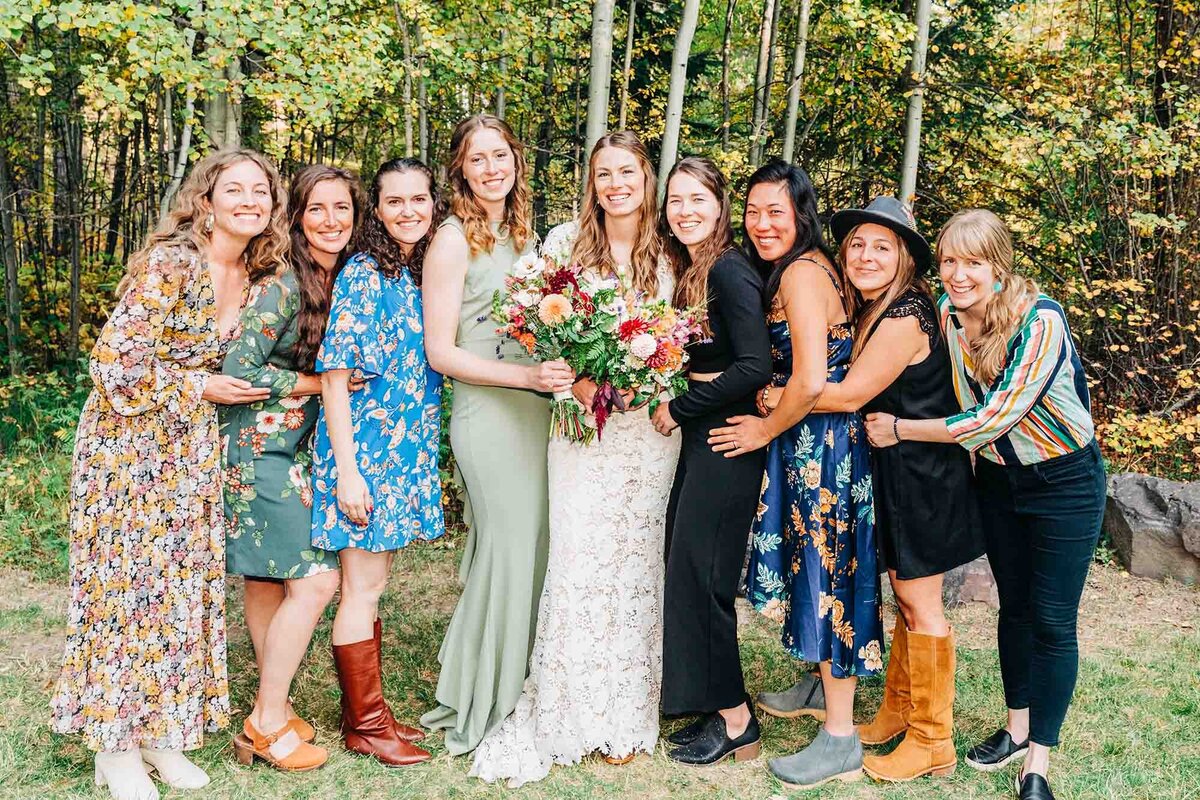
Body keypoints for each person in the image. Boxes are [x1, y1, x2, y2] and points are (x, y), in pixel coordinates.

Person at [50, 148, 286, 800]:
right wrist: (201, 384)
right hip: (126, 452)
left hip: (188, 456)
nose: (247, 200)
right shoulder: (171, 263)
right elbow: (113, 365)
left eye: (258, 191)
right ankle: (115, 747)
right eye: (232, 189)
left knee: (174, 600)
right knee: (125, 601)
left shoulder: (258, 274)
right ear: (205, 201)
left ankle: (157, 735)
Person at [864, 209, 1105, 800]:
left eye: (972, 261)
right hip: (999, 482)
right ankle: (1017, 726)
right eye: (949, 260)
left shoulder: (1040, 321)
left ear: (999, 266)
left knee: (1051, 620)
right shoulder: (946, 314)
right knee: (1014, 610)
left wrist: (900, 428)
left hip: (1064, 482)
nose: (957, 273)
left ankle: (1038, 765)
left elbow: (995, 416)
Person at [470, 131, 679, 786]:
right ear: (591, 184)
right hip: (582, 429)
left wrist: (653, 384)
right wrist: (577, 380)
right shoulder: (563, 243)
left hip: (649, 430)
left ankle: (626, 709)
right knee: (580, 559)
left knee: (636, 561)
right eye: (603, 174)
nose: (616, 184)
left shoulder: (671, 247)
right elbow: (534, 332)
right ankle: (569, 708)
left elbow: (685, 339)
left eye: (627, 172)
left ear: (647, 176)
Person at [752, 195, 984, 781]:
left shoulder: (905, 315)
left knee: (922, 605)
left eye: (882, 246)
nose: (865, 255)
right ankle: (899, 712)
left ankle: (933, 738)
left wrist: (779, 396)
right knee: (906, 599)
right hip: (898, 473)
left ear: (905, 258)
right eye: (856, 244)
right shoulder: (877, 307)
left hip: (926, 479)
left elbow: (850, 394)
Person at [708, 160, 882, 789]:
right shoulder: (797, 270)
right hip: (811, 443)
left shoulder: (805, 275)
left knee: (829, 571)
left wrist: (762, 426)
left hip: (824, 450)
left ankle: (840, 736)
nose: (761, 224)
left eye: (775, 211)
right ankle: (818, 683)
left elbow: (811, 380)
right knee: (816, 567)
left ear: (802, 215)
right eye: (752, 211)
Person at [420, 115, 575, 755]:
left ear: (516, 161)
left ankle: (519, 678)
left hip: (535, 409)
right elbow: (441, 352)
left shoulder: (523, 234)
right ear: (460, 170)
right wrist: (526, 375)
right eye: (477, 159)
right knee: (508, 552)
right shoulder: (453, 240)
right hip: (488, 416)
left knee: (532, 549)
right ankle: (485, 695)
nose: (491, 169)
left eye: (501, 155)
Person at [223, 165, 366, 771]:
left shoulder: (346, 280)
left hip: (293, 442)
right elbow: (238, 365)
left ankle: (267, 702)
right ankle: (267, 718)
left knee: (266, 579)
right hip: (255, 448)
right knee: (315, 580)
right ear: (297, 217)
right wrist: (314, 382)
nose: (331, 221)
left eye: (343, 209)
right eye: (317, 209)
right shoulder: (285, 280)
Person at [309, 158, 448, 767]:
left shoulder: (412, 270)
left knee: (374, 585)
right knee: (361, 588)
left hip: (402, 452)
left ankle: (372, 713)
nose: (409, 211)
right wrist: (348, 471)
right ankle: (364, 725)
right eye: (395, 201)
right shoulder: (365, 271)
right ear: (378, 209)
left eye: (419, 199)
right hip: (366, 453)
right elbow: (335, 378)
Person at [649, 157, 772, 766]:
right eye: (675, 200)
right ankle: (711, 702)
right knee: (690, 570)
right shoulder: (694, 268)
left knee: (708, 579)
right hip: (705, 435)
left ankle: (737, 721)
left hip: (727, 440)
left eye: (697, 198)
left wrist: (681, 404)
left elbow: (755, 365)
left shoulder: (729, 269)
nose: (685, 211)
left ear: (720, 205)